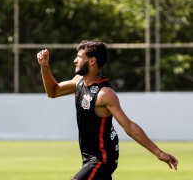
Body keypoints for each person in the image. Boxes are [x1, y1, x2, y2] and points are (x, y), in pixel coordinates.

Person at [36, 40, 178, 180]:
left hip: (101, 159)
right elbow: (53, 92)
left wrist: (158, 153)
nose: (75, 60)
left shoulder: (105, 94)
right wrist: (44, 66)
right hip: (89, 158)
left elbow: (129, 127)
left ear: (92, 61)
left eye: (79, 57)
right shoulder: (79, 81)